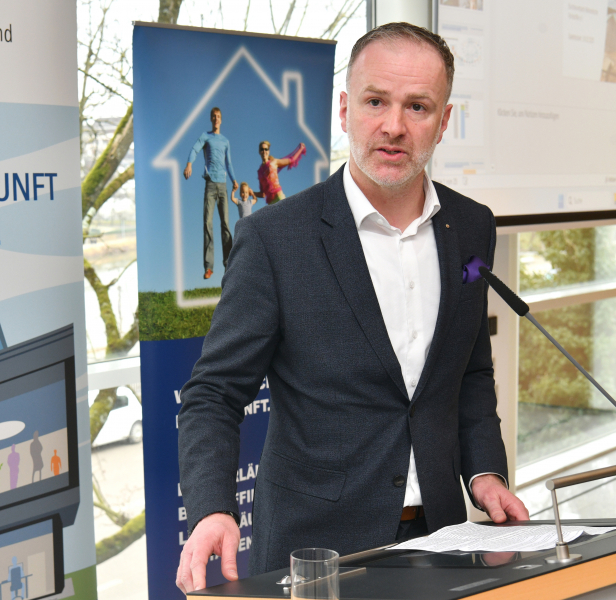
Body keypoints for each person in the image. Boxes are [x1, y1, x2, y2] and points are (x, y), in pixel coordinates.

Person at [175, 22, 530, 594]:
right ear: (345, 110)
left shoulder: (471, 225)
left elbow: (469, 369)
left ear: (443, 122)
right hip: (315, 552)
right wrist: (212, 508)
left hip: (443, 537)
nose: (394, 126)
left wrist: (485, 472)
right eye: (375, 101)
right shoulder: (274, 239)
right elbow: (213, 393)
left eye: (418, 107)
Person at [184, 107, 239, 280]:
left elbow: (229, 164)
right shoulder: (206, 136)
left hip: (223, 186)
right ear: (211, 119)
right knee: (207, 223)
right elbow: (195, 149)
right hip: (210, 184)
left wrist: (234, 180)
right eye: (214, 116)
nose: (216, 119)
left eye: (218, 116)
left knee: (226, 225)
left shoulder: (225, 141)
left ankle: (229, 264)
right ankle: (209, 267)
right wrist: (189, 164)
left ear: (221, 120)